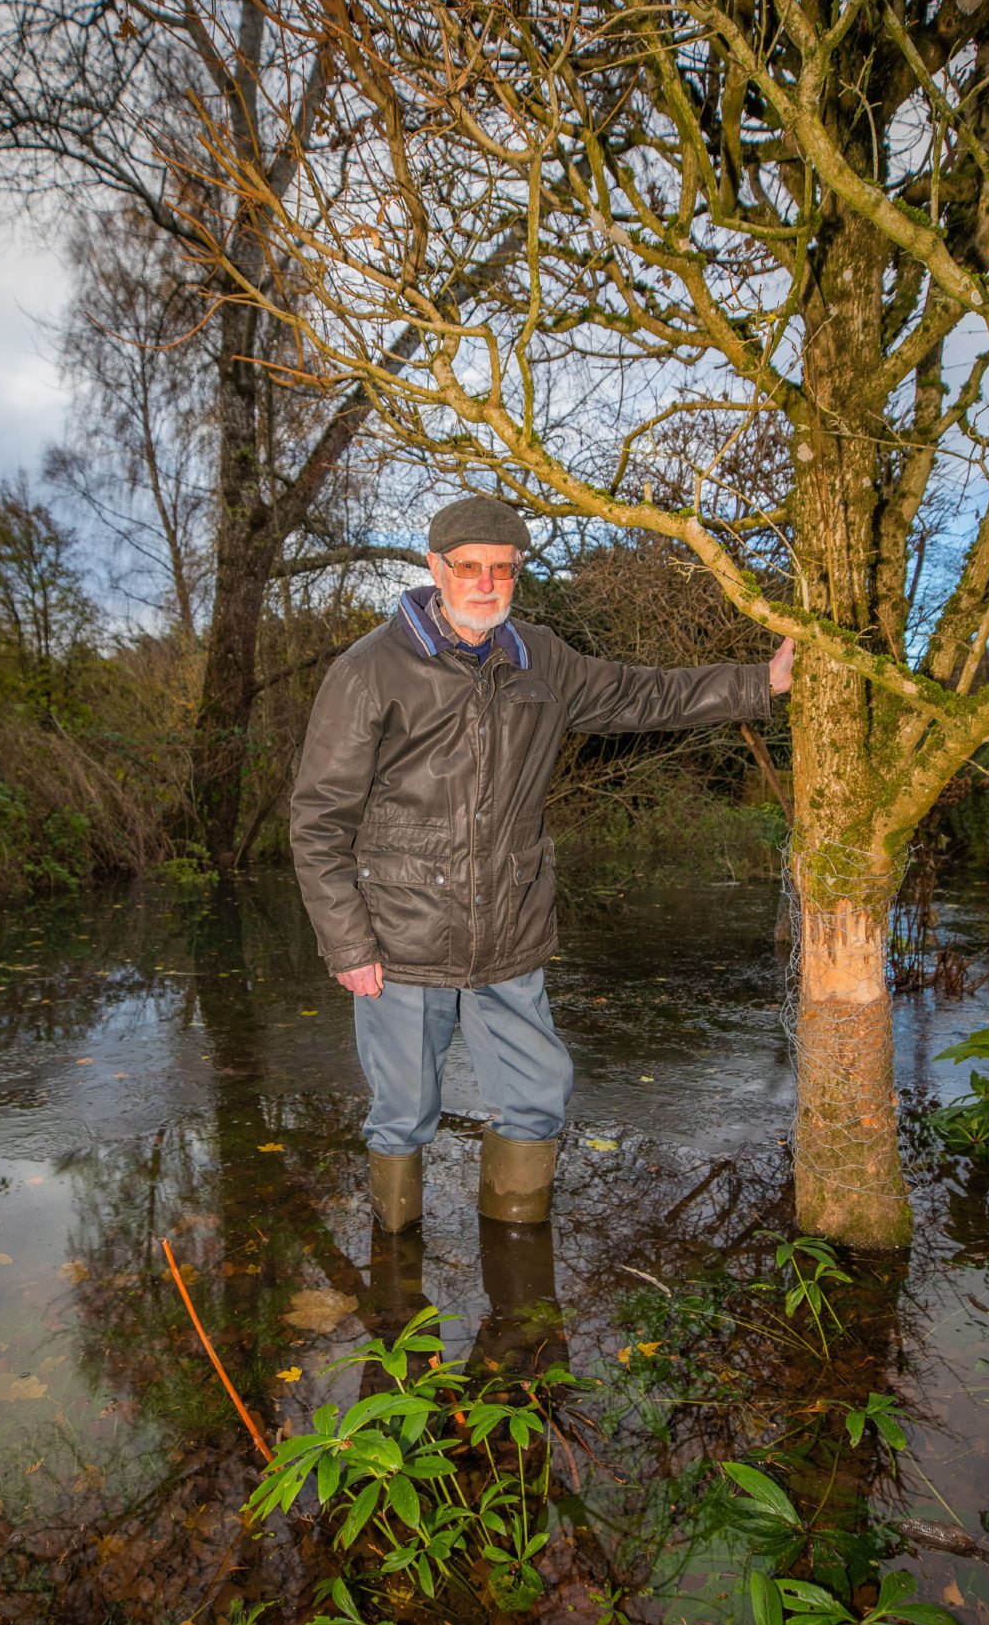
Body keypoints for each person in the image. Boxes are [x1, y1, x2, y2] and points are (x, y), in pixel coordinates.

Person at [290, 494, 793, 1233]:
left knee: (535, 1098)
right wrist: (349, 944)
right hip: (398, 940)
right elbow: (318, 820)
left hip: (510, 929)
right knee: (402, 1114)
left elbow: (641, 693)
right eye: (470, 568)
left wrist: (761, 682)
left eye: (503, 569)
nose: (487, 584)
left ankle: (519, 1274)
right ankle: (395, 1285)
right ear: (436, 568)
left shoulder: (543, 659)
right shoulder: (369, 671)